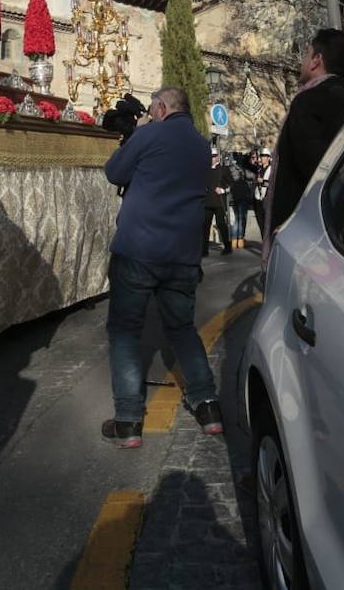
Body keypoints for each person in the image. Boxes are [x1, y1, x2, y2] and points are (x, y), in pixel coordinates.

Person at [101, 87, 223, 449]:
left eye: (154, 108)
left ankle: (127, 421)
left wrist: (135, 134)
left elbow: (114, 172)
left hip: (140, 247)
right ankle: (208, 406)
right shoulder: (201, 145)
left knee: (125, 331)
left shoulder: (149, 133)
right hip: (182, 252)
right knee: (183, 328)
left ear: (161, 107)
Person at [264, 28, 344, 261]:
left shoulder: (308, 101)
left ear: (317, 60)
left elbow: (313, 174)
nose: (303, 61)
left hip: (306, 238)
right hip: (342, 232)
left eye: (307, 54)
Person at [203, 148, 232, 256]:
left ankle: (227, 247)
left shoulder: (224, 169)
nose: (212, 158)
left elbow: (232, 184)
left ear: (218, 157)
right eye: (211, 156)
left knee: (221, 224)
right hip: (207, 202)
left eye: (214, 156)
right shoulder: (206, 170)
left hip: (219, 202)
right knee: (205, 226)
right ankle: (204, 250)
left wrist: (223, 190)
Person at [229, 154, 255, 250]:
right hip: (243, 196)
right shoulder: (243, 169)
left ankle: (234, 241)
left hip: (234, 196)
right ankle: (240, 240)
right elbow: (252, 176)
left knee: (236, 219)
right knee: (241, 219)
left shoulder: (231, 168)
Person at [253, 149, 272, 239]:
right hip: (258, 198)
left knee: (266, 223)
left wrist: (263, 181)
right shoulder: (259, 169)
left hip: (267, 198)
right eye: (262, 156)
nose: (262, 158)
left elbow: (272, 184)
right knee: (260, 222)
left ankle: (267, 242)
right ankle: (264, 241)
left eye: (264, 156)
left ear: (268, 158)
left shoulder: (271, 169)